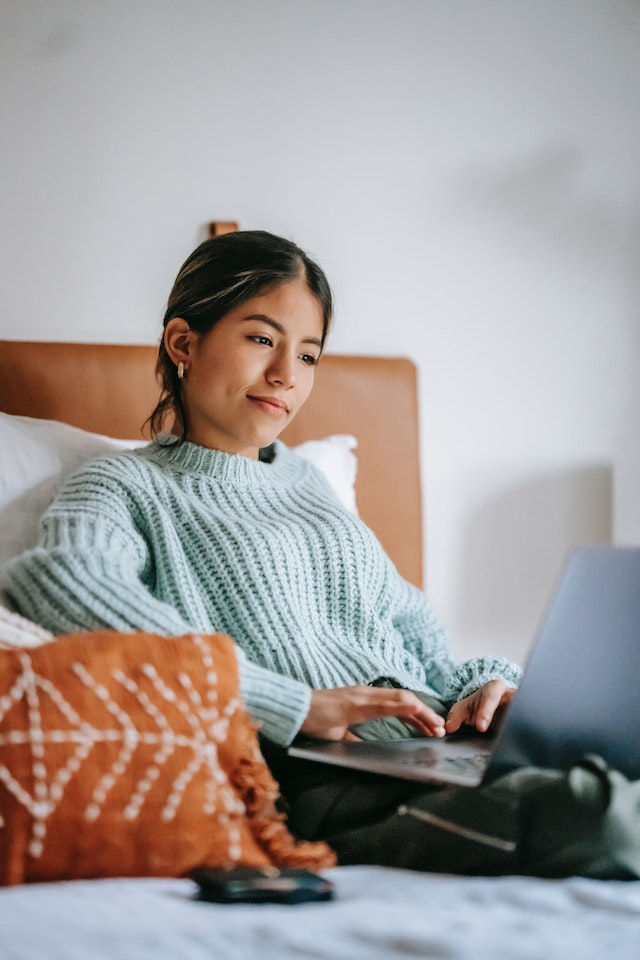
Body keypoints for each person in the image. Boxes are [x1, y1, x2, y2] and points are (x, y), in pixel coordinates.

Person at [7, 231, 639, 879]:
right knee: (598, 813)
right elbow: (61, 578)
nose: (286, 373)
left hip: (432, 752)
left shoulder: (309, 485)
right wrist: (289, 704)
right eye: (261, 338)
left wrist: (490, 689)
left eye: (308, 354)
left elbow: (418, 640)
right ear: (183, 343)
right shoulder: (128, 485)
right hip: (315, 785)